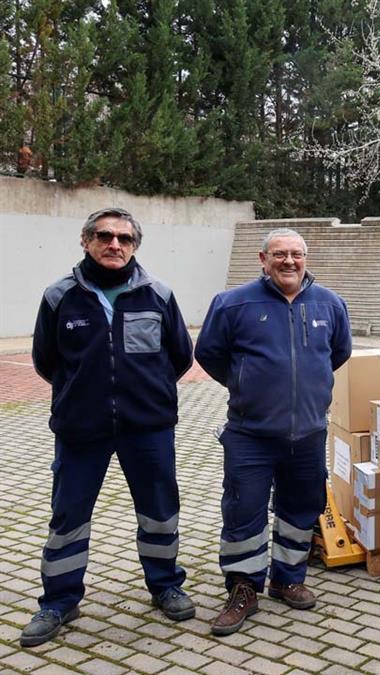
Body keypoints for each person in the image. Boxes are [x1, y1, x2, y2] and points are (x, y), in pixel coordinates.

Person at [23, 208, 195, 648]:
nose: (114, 244)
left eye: (124, 238)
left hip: (148, 429)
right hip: (81, 429)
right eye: (103, 236)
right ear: (86, 241)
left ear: (135, 245)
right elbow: (47, 361)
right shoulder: (60, 296)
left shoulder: (157, 293)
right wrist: (83, 394)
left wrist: (145, 393)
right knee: (68, 518)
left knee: (159, 513)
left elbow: (179, 356)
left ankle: (165, 586)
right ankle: (59, 601)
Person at [195, 228, 352, 636]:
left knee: (301, 507)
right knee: (244, 510)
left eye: (296, 254)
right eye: (279, 254)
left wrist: (306, 387)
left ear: (306, 258)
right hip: (250, 433)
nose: (289, 262)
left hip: (309, 432)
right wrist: (246, 382)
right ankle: (243, 587)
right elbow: (208, 353)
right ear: (262, 259)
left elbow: (339, 352)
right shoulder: (233, 303)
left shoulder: (330, 303)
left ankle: (287, 577)